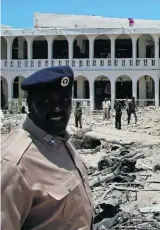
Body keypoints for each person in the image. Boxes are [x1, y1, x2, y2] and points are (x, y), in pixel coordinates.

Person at [1, 66, 93, 229]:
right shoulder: (14, 164)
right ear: (29, 103)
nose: (58, 109)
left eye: (64, 101)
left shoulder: (59, 139)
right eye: (48, 101)